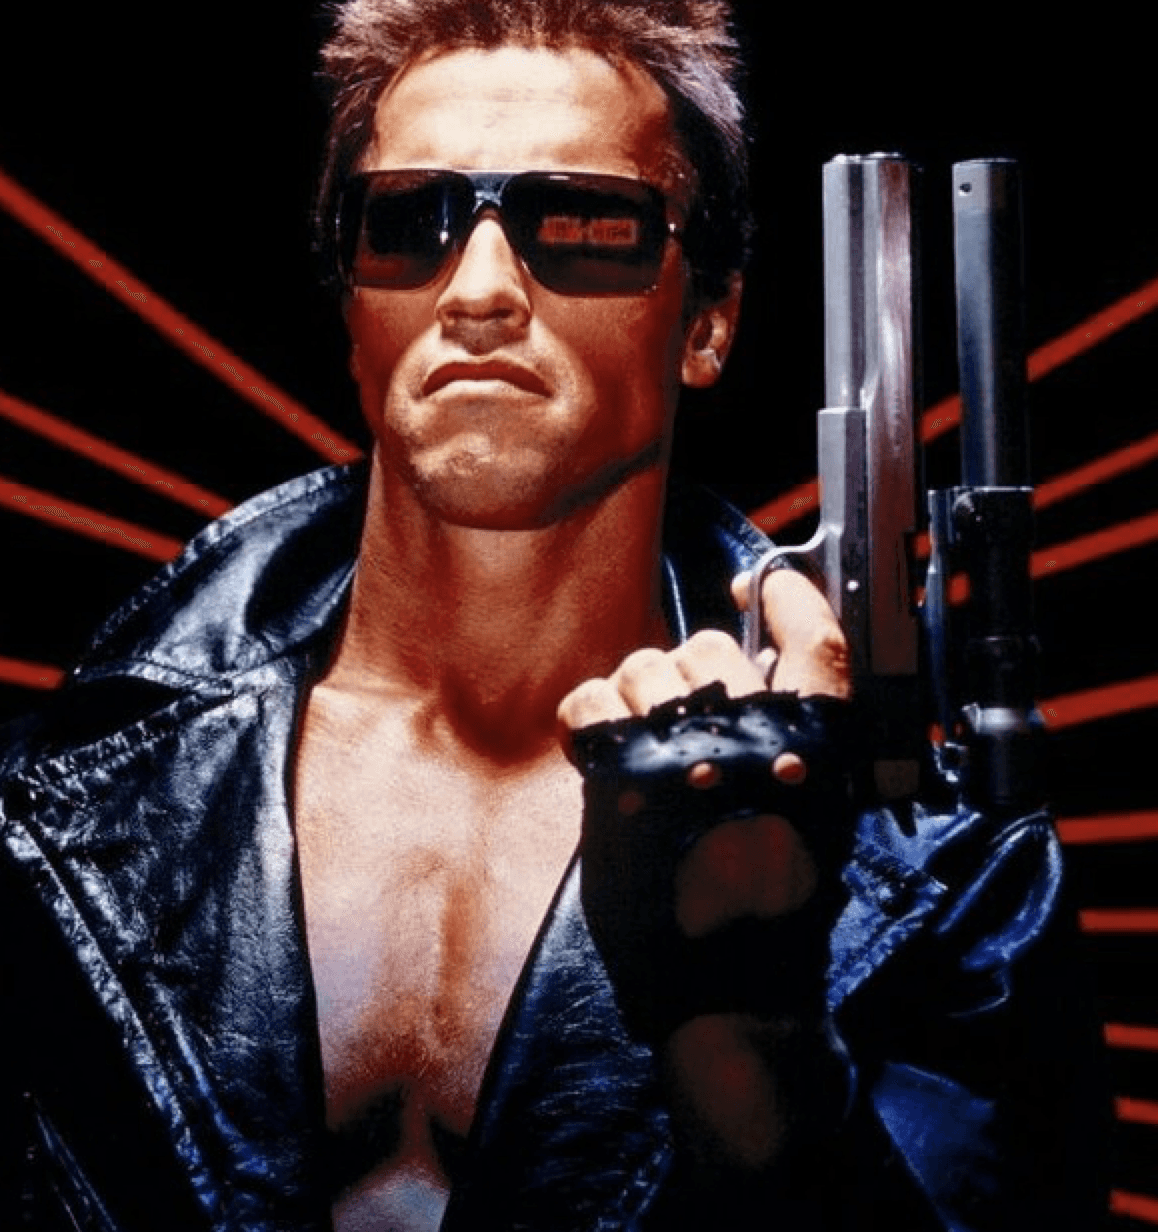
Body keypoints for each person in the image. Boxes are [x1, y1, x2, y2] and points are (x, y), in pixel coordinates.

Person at [0, 1, 1109, 1229]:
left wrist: (766, 1070)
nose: (477, 291)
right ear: (352, 312)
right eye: (408, 223)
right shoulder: (67, 792)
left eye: (582, 226)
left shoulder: (942, 872)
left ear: (707, 319)